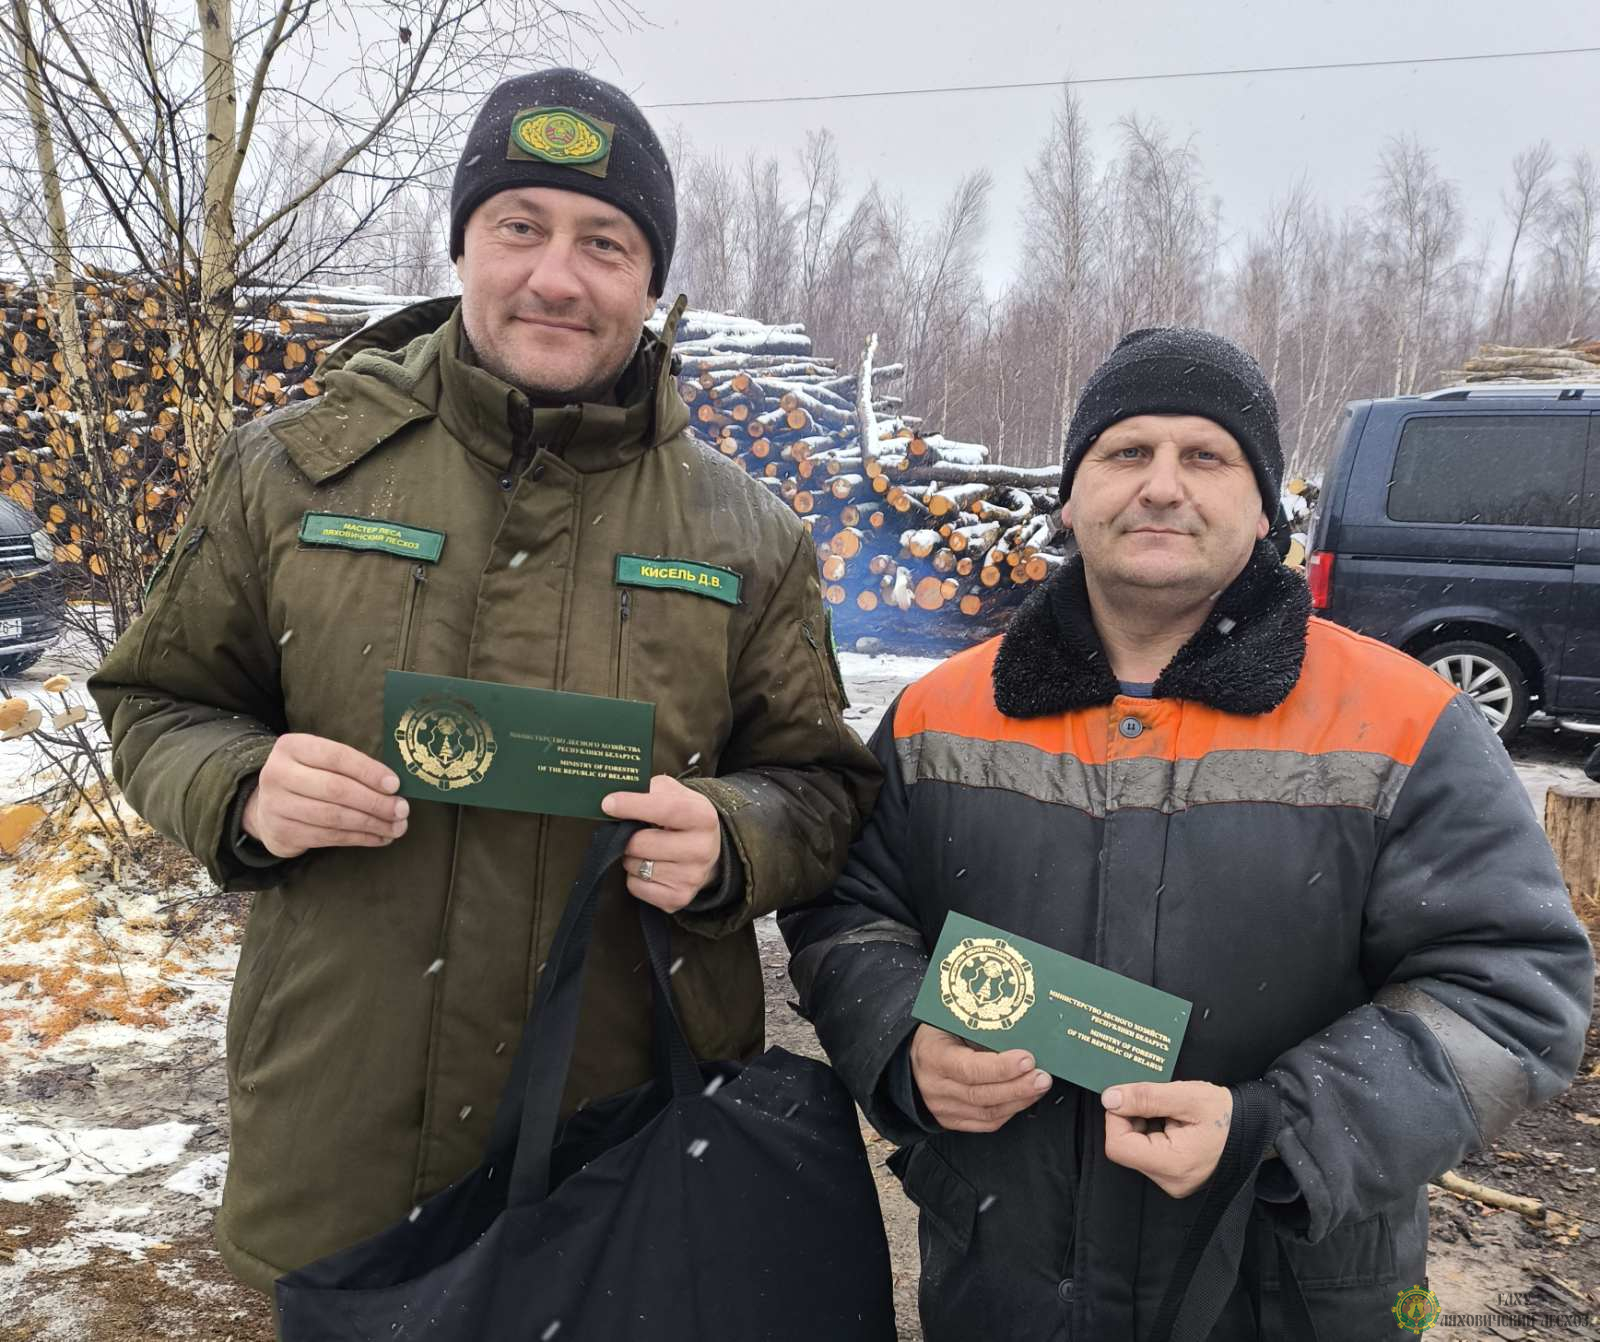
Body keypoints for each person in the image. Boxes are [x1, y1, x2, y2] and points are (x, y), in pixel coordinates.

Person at [89, 68, 879, 1300]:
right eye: (520, 226)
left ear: (650, 281)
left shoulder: (745, 533)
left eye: (604, 242)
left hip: (621, 1148)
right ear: (462, 245)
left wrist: (734, 836)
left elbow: (821, 786)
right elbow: (155, 702)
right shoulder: (293, 473)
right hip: (345, 1135)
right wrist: (241, 785)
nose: (556, 276)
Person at [780, 327, 1594, 1341]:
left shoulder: (1406, 721)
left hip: (1285, 1290)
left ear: (1263, 506)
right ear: (1070, 498)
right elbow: (844, 912)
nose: (1161, 486)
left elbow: (1512, 986)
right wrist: (904, 1038)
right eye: (1126, 452)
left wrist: (1276, 1132)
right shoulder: (940, 712)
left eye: (1205, 456)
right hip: (1007, 1281)